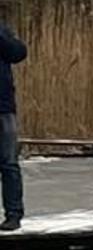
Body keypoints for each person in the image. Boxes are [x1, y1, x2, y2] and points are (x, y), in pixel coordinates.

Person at [0, 8, 27, 231]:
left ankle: (13, 215)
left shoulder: (2, 33)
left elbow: (18, 53)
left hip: (3, 108)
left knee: (9, 163)